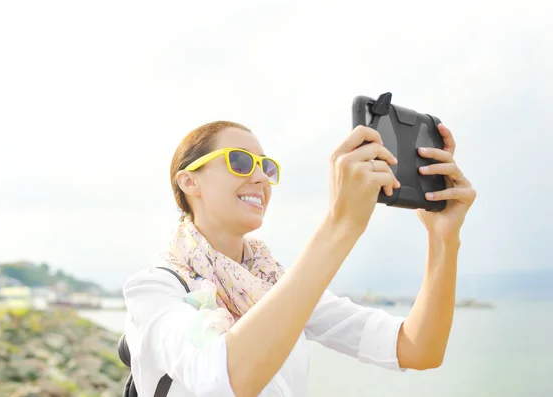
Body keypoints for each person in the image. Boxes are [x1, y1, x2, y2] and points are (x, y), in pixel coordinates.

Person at [122, 120, 476, 397]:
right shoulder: (154, 291)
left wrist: (443, 238)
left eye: (267, 167)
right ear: (189, 182)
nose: (260, 178)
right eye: (241, 162)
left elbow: (418, 349)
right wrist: (341, 224)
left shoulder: (276, 286)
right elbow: (225, 379)